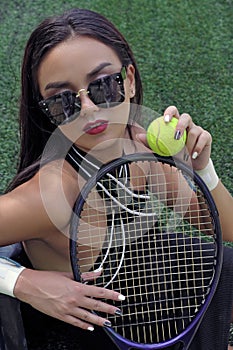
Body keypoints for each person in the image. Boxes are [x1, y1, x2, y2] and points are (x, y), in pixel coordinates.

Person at [0, 8, 233, 350]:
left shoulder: (139, 150)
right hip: (94, 331)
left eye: (103, 85)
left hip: (139, 292)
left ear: (130, 79)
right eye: (63, 101)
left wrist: (201, 168)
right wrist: (22, 282)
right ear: (47, 112)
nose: (90, 109)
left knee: (226, 267)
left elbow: (226, 229)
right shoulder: (53, 193)